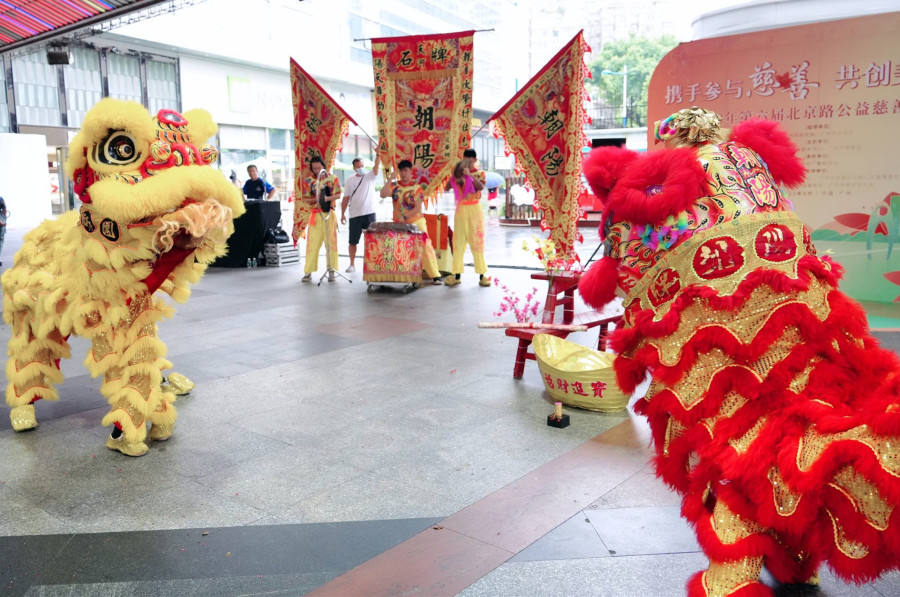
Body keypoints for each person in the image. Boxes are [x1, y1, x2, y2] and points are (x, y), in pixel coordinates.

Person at [380, 160, 442, 285]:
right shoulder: (394, 186)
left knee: (426, 245)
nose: (403, 174)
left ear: (410, 171)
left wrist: (405, 216)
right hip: (399, 223)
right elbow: (382, 194)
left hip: (416, 221)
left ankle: (435, 275)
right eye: (401, 171)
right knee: (396, 247)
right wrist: (390, 178)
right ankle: (400, 275)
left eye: (406, 171)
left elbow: (417, 208)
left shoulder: (417, 188)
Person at [444, 149, 490, 287]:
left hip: (474, 210)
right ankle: (456, 275)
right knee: (458, 242)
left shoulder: (479, 173)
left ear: (475, 160)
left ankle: (482, 275)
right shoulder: (458, 172)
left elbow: (481, 187)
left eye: (470, 160)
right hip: (460, 209)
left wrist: (469, 175)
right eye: (465, 159)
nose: (468, 162)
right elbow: (447, 187)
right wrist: (455, 176)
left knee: (477, 242)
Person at [301, 156, 342, 282]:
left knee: (331, 244)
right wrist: (316, 199)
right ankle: (308, 271)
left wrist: (327, 199)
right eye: (314, 168)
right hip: (315, 215)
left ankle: (332, 270)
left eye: (319, 168)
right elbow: (305, 198)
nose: (317, 170)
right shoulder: (309, 181)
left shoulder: (332, 178)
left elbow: (338, 194)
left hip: (329, 214)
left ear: (323, 166)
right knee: (312, 244)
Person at [340, 153, 381, 273]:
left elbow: (376, 166)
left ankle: (373, 263)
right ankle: (352, 264)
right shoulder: (350, 180)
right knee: (353, 241)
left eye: (362, 166)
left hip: (369, 213)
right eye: (358, 167)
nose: (360, 168)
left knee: (372, 240)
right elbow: (346, 198)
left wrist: (378, 154)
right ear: (354, 168)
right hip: (355, 215)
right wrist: (342, 214)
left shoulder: (369, 176)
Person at [0, 196, 7, 267]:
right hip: (1, 221)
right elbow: (5, 209)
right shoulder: (0, 198)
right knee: (0, 240)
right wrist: (2, 222)